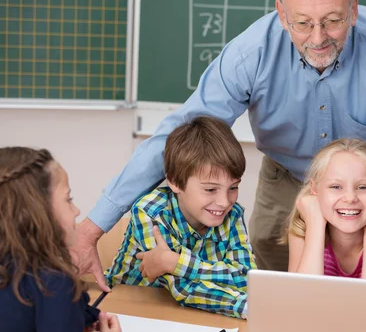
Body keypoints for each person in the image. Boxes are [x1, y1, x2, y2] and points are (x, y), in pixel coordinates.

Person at [76, 0, 366, 289]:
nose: (318, 38)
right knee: (277, 295)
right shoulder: (250, 53)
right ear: (282, 14)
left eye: (333, 21)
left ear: (353, 9)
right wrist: (93, 228)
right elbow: (177, 137)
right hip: (285, 181)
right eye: (303, 23)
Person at [0, 147, 122, 332]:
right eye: (68, 199)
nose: (76, 211)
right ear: (38, 213)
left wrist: (79, 320)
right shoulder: (54, 284)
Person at [105, 116, 255, 319]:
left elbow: (248, 278)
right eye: (210, 189)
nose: (224, 202)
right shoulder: (150, 212)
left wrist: (175, 262)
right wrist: (249, 307)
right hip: (129, 309)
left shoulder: (233, 214)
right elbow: (183, 287)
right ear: (175, 181)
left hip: (194, 313)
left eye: (233, 188)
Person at [285, 138, 366, 281]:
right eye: (336, 187)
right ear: (315, 189)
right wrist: (315, 225)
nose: (350, 198)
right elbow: (301, 299)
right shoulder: (304, 227)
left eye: (362, 187)